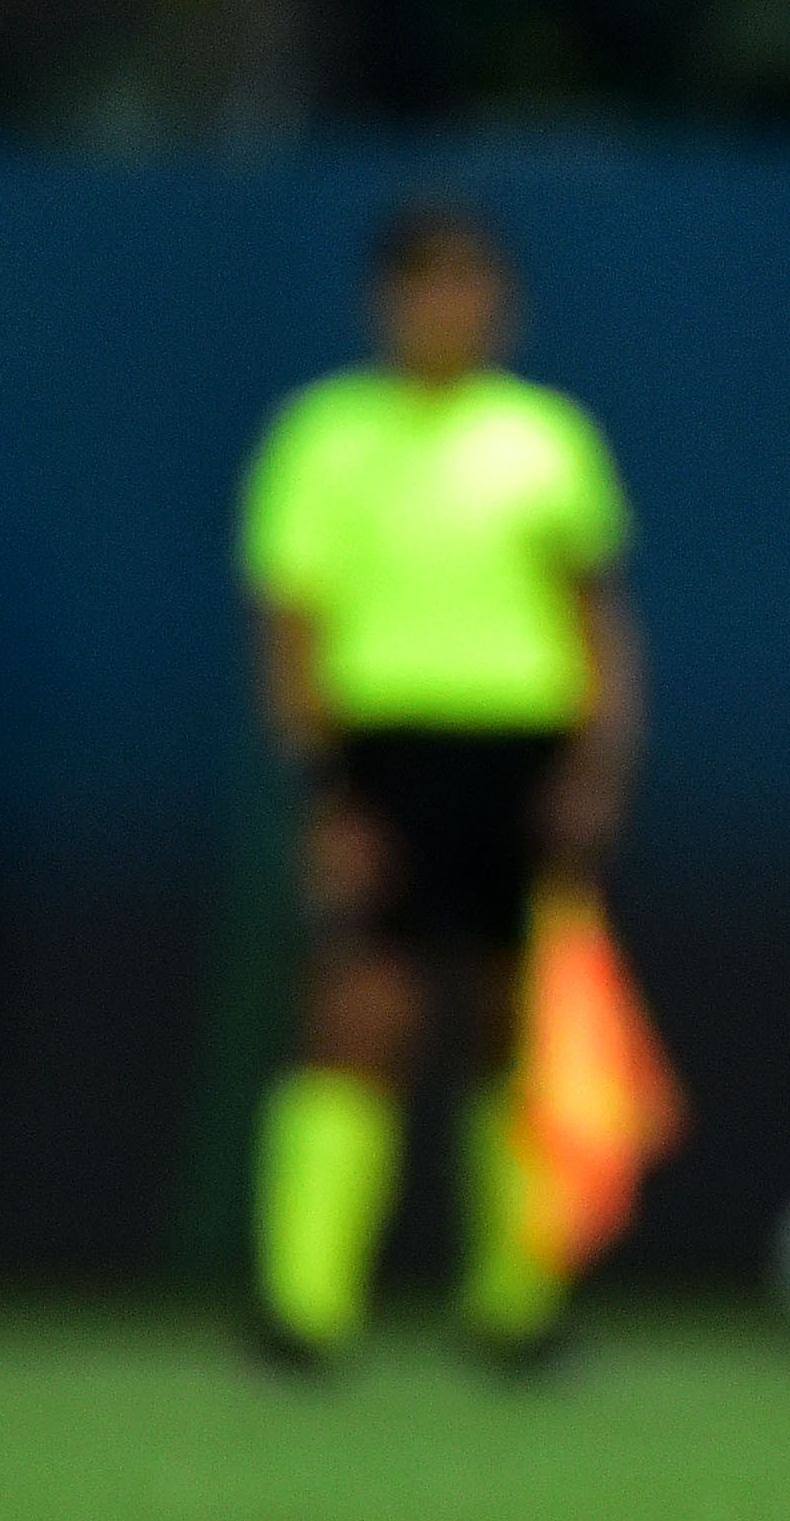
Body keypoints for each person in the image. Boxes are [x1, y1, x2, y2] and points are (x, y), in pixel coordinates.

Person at [237, 202, 640, 1371]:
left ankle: (519, 1307)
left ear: (501, 302)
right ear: (386, 301)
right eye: (424, 284)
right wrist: (326, 791)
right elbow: (291, 629)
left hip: (522, 757)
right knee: (360, 1014)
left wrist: (595, 764)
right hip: (383, 759)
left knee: (522, 1024)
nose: (447, 306)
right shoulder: (321, 436)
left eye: (469, 284)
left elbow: (596, 617)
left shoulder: (548, 438)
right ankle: (303, 1310)